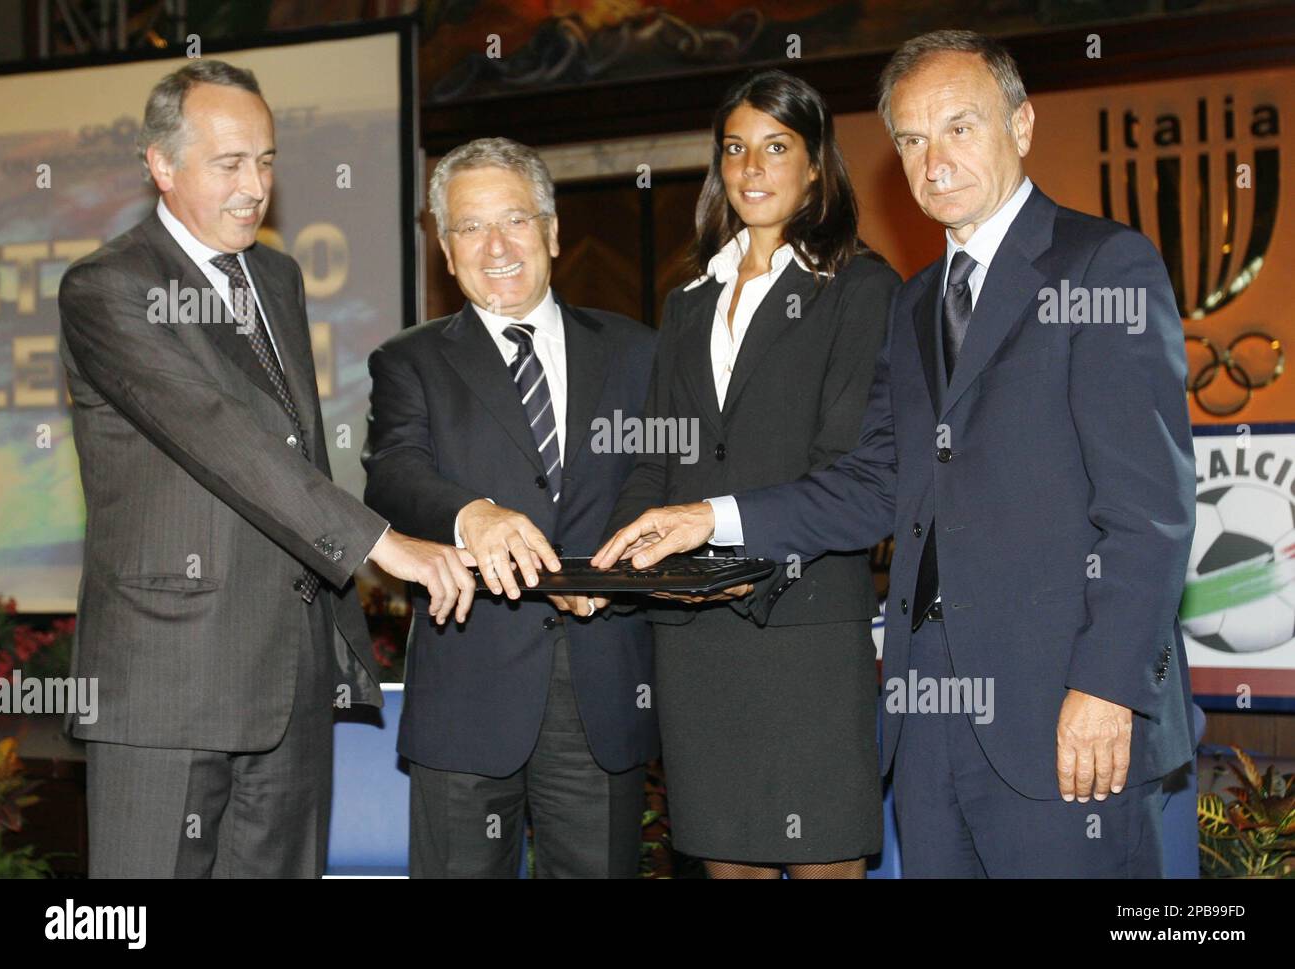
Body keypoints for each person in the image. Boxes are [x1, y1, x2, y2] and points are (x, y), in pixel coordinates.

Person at [596, 30, 1196, 878]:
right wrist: (710, 517)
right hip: (927, 726)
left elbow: (1151, 511)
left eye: (959, 127)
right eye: (911, 140)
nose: (933, 159)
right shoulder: (918, 304)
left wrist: (1106, 687)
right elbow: (879, 484)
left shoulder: (1103, 265)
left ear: (1021, 126)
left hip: (1062, 713)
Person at [58, 60, 475, 878]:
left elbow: (297, 451)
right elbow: (217, 433)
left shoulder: (276, 277)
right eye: (229, 164)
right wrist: (379, 542)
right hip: (166, 684)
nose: (255, 186)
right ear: (161, 165)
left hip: (290, 679)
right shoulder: (109, 287)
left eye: (267, 161)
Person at [593, 70, 898, 879]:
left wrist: (710, 521)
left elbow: (859, 486)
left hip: (804, 633)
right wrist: (615, 557)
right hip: (696, 643)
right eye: (736, 149)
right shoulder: (687, 301)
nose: (753, 168)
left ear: (815, 165)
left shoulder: (861, 290)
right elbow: (656, 457)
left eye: (777, 147)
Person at [362, 137, 658, 878]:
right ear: (446, 251)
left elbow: (659, 478)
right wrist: (472, 513)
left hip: (602, 689)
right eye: (470, 227)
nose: (496, 246)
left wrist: (619, 563)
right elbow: (391, 474)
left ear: (553, 232)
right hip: (467, 696)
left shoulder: (638, 352)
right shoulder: (410, 360)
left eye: (515, 220)